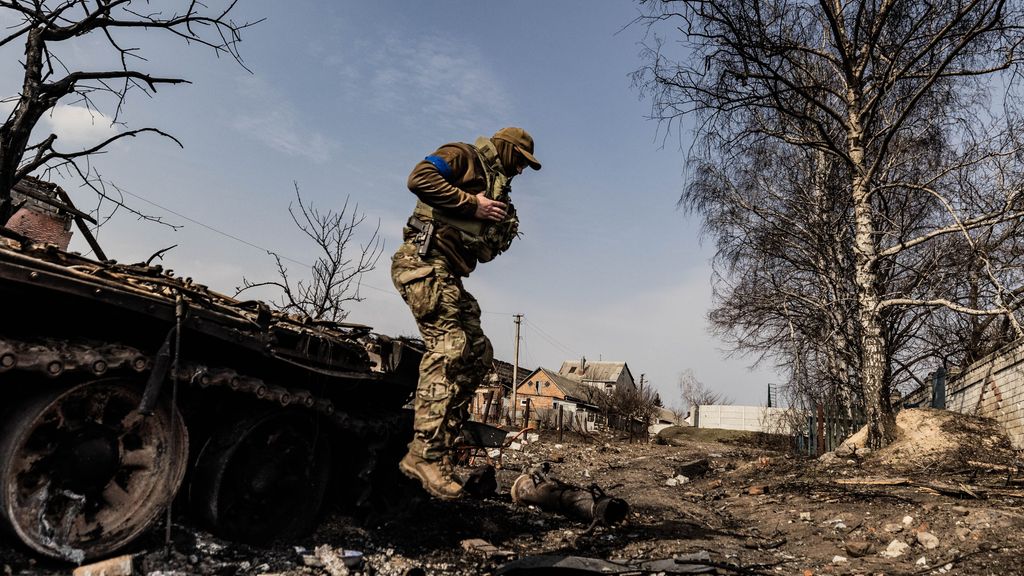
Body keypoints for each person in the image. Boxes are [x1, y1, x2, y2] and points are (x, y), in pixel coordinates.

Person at [391, 127, 541, 499]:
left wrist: (494, 227)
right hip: (421, 261)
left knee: (478, 354)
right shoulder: (464, 155)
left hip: (449, 274)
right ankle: (423, 453)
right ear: (506, 150)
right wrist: (474, 205)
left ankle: (441, 446)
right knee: (451, 345)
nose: (521, 171)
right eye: (520, 161)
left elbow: (481, 247)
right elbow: (418, 178)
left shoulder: (497, 188)